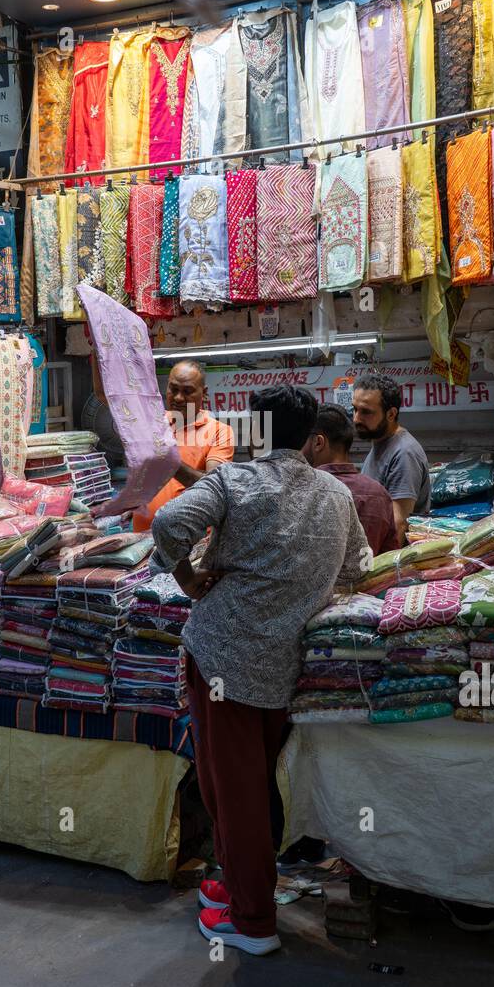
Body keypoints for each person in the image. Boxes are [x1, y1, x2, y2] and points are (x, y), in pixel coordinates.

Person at [151, 384, 371, 956]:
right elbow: (357, 568)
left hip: (223, 657)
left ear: (256, 430)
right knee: (252, 786)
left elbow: (168, 524)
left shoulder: (235, 481)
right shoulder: (335, 494)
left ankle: (252, 923)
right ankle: (237, 884)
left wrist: (187, 579)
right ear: (310, 438)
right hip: (284, 664)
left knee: (235, 790)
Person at [132, 360, 235, 532]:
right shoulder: (153, 422)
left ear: (204, 393)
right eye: (173, 389)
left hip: (189, 540)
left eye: (187, 391)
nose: (179, 398)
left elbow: (213, 487)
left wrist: (169, 460)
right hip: (141, 536)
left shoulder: (220, 431)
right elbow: (107, 397)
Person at [303, 402, 399, 556]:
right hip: (370, 578)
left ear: (318, 442)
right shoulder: (379, 494)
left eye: (302, 441)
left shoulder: (303, 491)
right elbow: (391, 558)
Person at [352, 369, 430, 545]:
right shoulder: (381, 444)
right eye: (355, 409)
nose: (356, 418)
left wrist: (373, 567)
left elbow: (399, 523)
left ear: (391, 414)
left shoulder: (404, 453)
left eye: (366, 412)